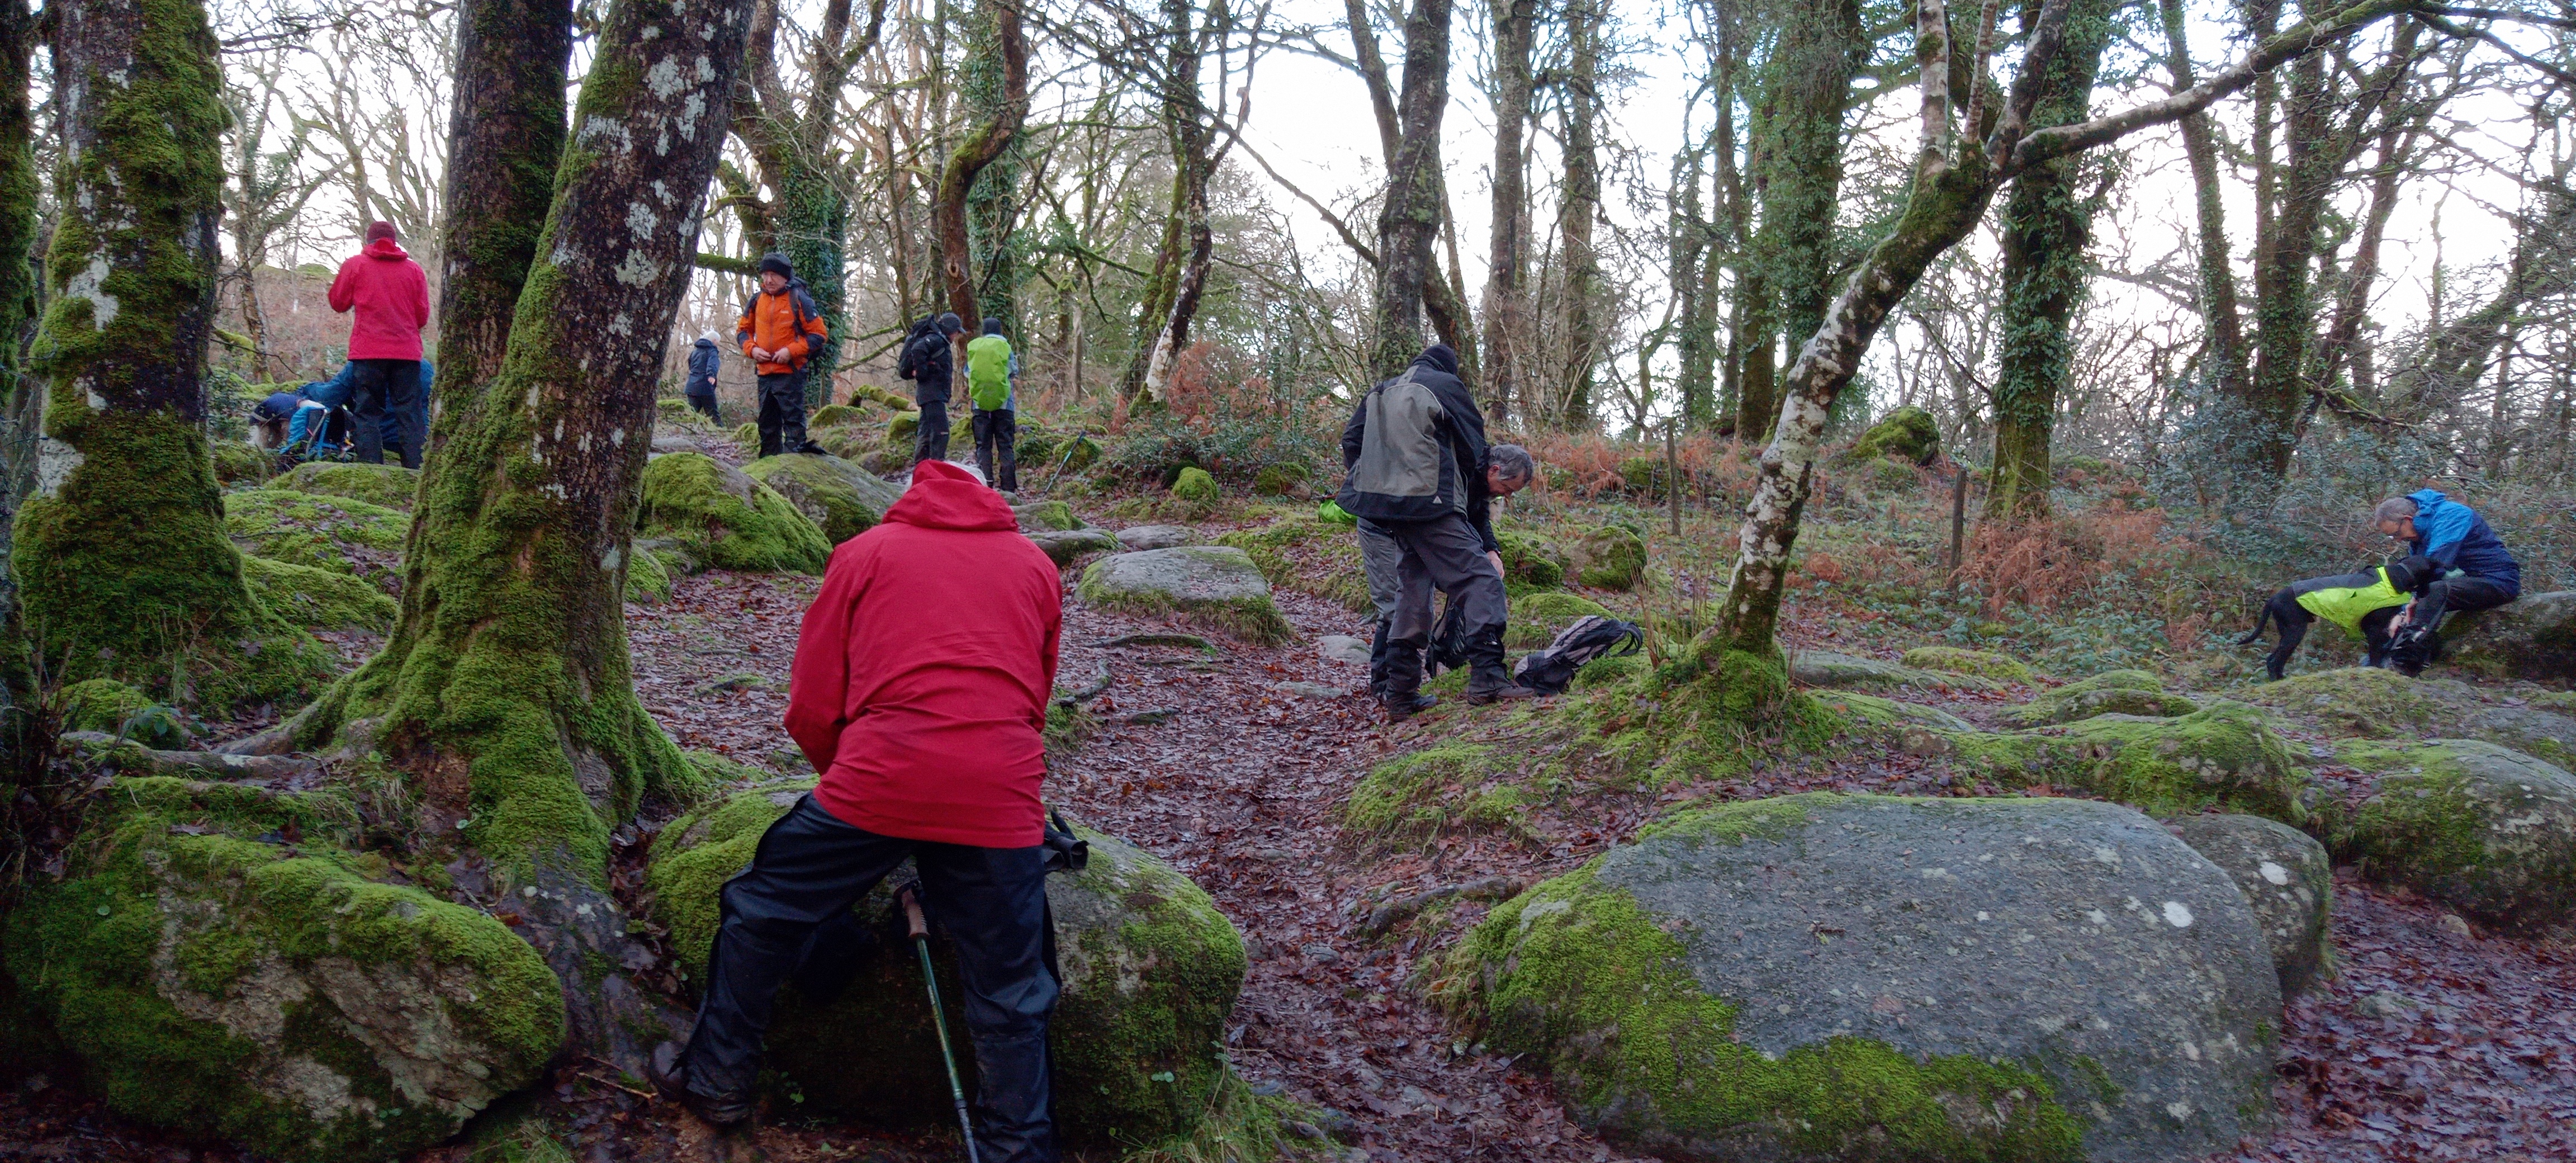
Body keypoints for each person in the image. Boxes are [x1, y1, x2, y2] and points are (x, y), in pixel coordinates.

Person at [649, 460, 1063, 1162]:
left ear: (909, 496)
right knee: (1012, 986)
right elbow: (1035, 694)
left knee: (761, 908)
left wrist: (850, 778)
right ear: (988, 496)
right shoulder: (1036, 566)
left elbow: (812, 702)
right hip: (1000, 790)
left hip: (878, 776)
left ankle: (718, 1079)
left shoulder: (863, 553)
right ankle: (1018, 1148)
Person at [1336, 343, 1541, 717]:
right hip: (1430, 502)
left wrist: (1379, 482)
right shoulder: (1445, 385)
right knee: (1481, 581)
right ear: (1450, 369)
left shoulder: (1381, 390)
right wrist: (1451, 478)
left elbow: (1352, 441)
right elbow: (1476, 447)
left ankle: (1400, 695)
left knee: (1412, 594)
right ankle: (1488, 677)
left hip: (1388, 511)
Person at [2373, 490, 2523, 673]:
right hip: (2468, 582)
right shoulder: (2419, 537)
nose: (2398, 540)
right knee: (2397, 606)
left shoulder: (2452, 515)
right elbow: (2418, 577)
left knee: (2435, 591)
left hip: (2499, 582)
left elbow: (2435, 566)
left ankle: (2404, 662)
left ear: (2408, 519)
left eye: (2396, 533)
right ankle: (2380, 660)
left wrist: (2412, 603)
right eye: (2393, 537)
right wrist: (2403, 612)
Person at [326, 221, 430, 468]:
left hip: (368, 352)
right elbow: (422, 317)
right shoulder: (414, 270)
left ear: (368, 240)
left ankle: (372, 469)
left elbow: (338, 303)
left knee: (367, 412)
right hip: (406, 353)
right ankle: (416, 472)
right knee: (410, 414)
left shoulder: (355, 265)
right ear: (395, 242)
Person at [736, 253, 830, 458]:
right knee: (766, 425)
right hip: (764, 373)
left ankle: (795, 465)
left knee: (793, 424)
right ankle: (769, 466)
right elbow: (742, 331)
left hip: (791, 372)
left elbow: (819, 335)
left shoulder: (799, 299)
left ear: (785, 277)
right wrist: (752, 349)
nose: (769, 280)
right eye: (765, 275)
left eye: (774, 275)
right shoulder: (756, 301)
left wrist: (790, 351)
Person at [898, 313, 966, 466]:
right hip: (933, 394)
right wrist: (922, 373)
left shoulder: (937, 339)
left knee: (926, 432)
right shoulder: (937, 340)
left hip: (929, 394)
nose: (956, 335)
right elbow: (918, 349)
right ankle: (937, 466)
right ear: (950, 329)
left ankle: (921, 468)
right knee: (941, 432)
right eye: (956, 332)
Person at [966, 316, 1020, 491]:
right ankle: (1008, 488)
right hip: (1005, 405)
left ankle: (985, 486)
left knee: (983, 446)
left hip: (979, 404)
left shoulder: (974, 346)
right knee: (1005, 446)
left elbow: (967, 372)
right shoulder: (1005, 346)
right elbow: (1014, 371)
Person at [685, 332, 723, 424]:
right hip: (705, 386)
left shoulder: (695, 351)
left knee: (692, 413)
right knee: (713, 414)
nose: (718, 344)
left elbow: (691, 365)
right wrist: (712, 375)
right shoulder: (712, 351)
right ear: (714, 340)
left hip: (692, 386)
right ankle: (719, 430)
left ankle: (687, 428)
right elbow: (713, 364)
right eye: (718, 342)